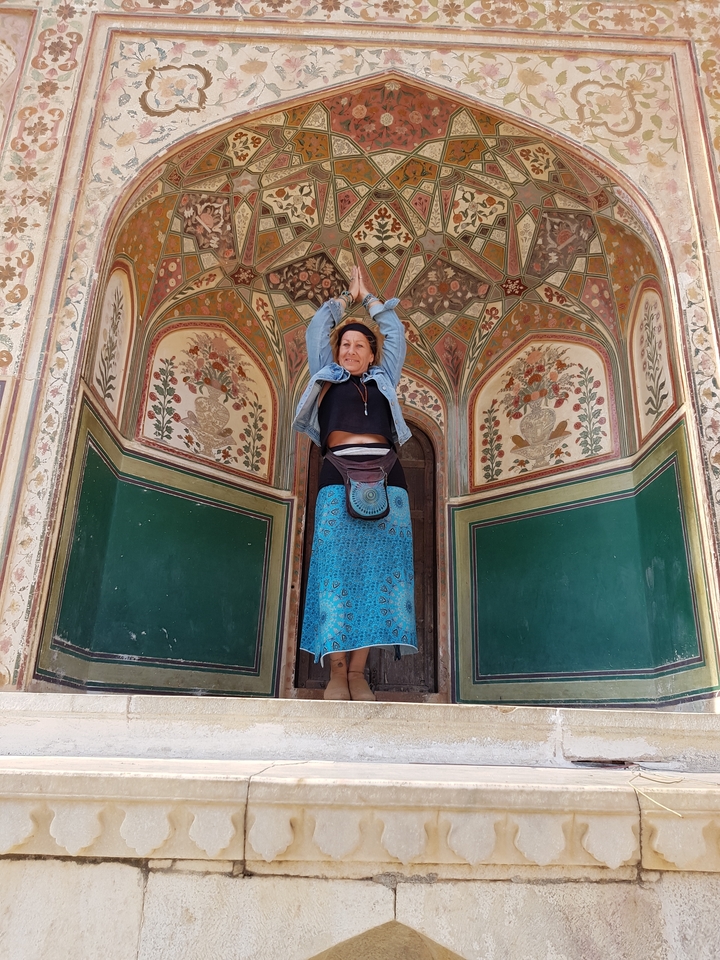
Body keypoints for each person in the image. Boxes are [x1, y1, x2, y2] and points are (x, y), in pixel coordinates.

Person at [293, 264, 417, 700]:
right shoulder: (326, 377)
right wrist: (347, 300)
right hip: (337, 477)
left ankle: (359, 673)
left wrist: (371, 301)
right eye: (345, 344)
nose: (350, 350)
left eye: (359, 345)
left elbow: (395, 334)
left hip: (387, 480)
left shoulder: (385, 378)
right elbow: (316, 330)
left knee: (377, 577)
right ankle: (337, 673)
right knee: (335, 575)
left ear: (371, 353)